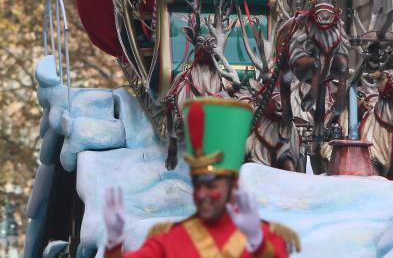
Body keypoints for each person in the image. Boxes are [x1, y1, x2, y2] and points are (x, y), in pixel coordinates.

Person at [102, 98, 300, 257]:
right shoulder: (167, 240)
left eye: (211, 185)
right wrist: (114, 242)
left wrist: (257, 244)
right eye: (198, 185)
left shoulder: (267, 239)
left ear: (233, 188)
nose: (202, 194)